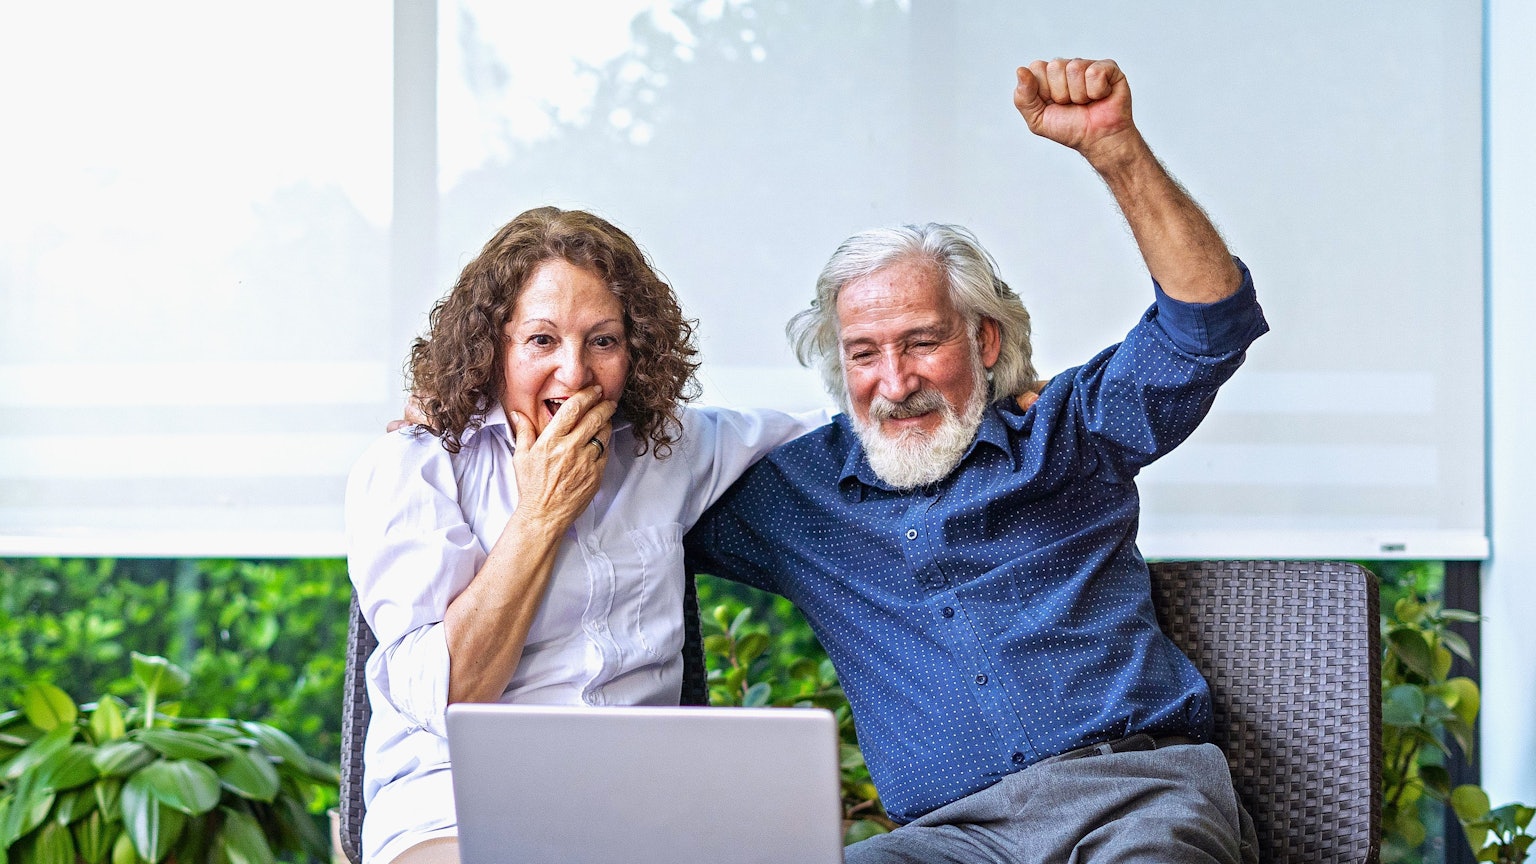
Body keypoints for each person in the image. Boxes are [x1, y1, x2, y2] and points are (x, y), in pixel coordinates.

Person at [684, 58, 1267, 862]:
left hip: (1133, 802)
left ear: (984, 341)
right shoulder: (792, 496)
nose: (895, 382)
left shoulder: (1069, 434)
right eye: (864, 354)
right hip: (950, 842)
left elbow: (1208, 326)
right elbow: (630, 513)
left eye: (922, 342)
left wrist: (1115, 150)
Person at [343, 207, 826, 864]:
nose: (574, 375)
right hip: (451, 807)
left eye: (602, 341)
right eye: (542, 340)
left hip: (637, 808)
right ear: (491, 347)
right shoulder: (418, 467)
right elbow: (454, 694)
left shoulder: (667, 449)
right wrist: (542, 513)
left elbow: (842, 427)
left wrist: (1002, 394)